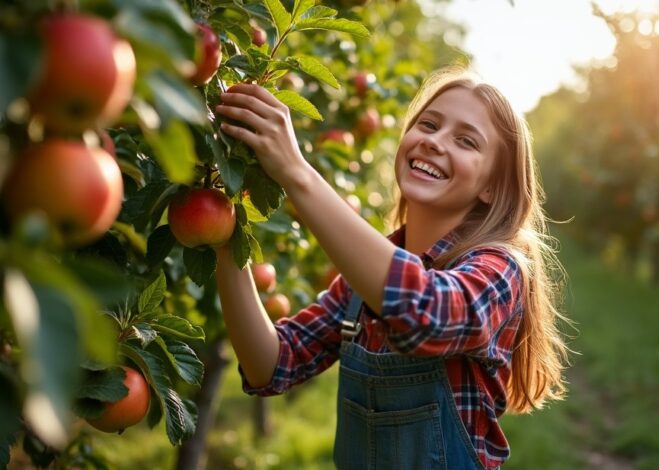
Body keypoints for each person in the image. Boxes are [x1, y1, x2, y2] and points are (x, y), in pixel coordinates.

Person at [213, 66, 569, 469]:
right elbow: (273, 365)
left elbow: (427, 311)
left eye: (466, 140)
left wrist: (297, 174)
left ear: (491, 186)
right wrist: (226, 234)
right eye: (428, 124)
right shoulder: (362, 282)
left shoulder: (500, 270)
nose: (434, 142)